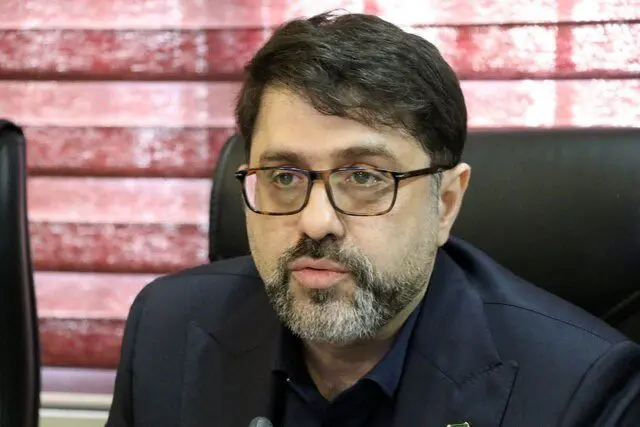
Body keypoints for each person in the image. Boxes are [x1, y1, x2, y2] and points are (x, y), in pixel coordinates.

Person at [105, 11, 640, 427]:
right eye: (284, 176)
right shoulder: (167, 328)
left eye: (363, 176)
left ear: (446, 203)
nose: (316, 222)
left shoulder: (579, 387)